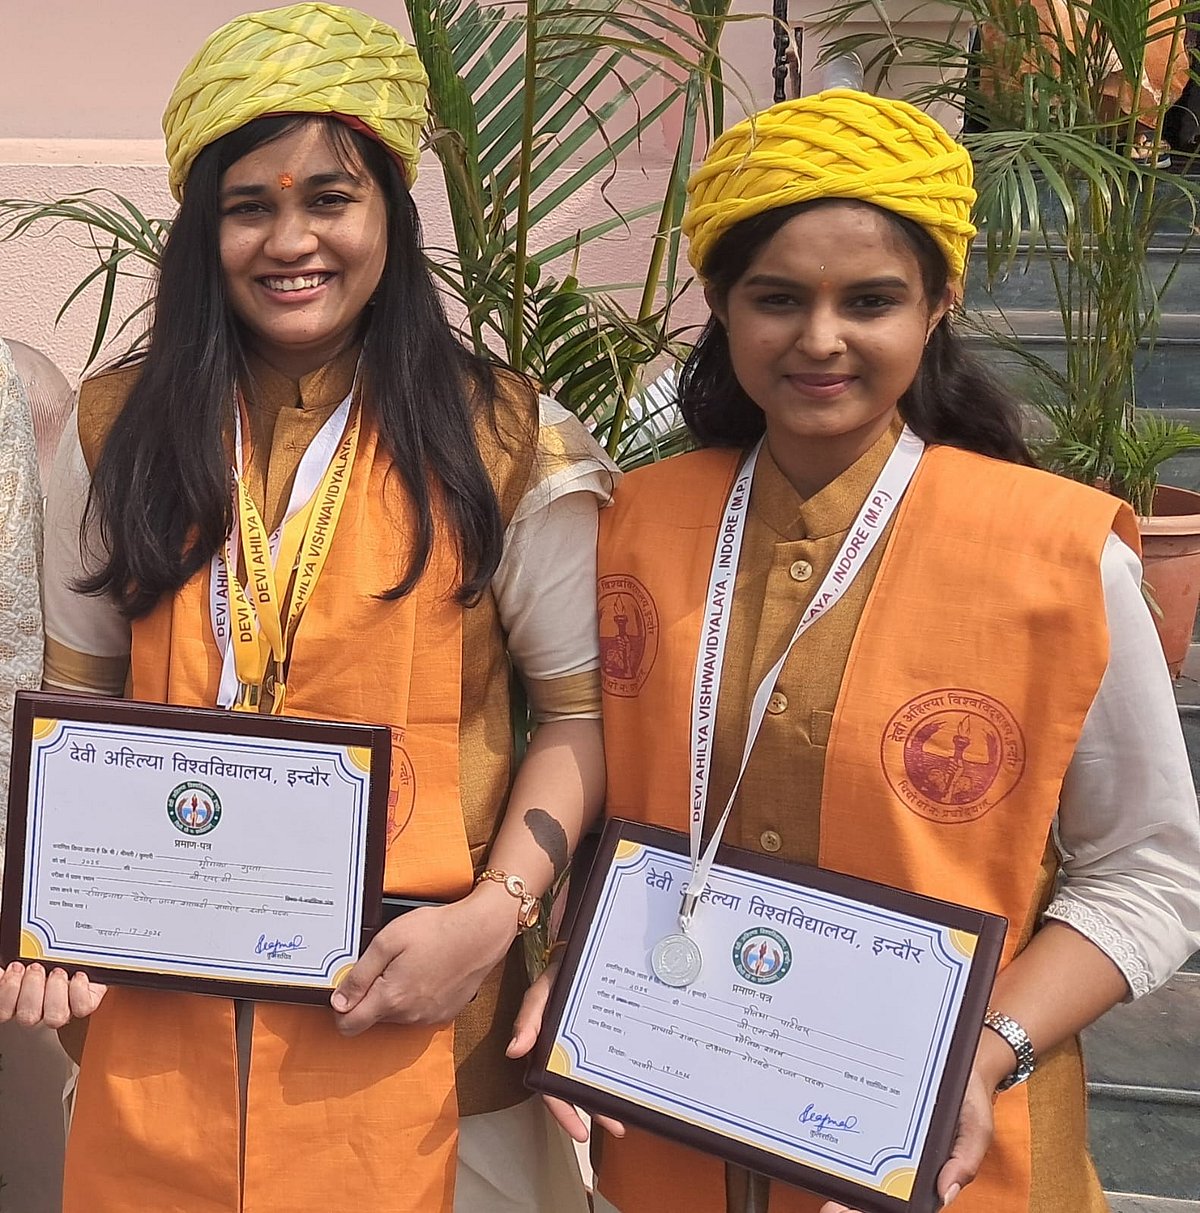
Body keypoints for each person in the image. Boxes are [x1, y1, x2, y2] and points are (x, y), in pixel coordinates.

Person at [510, 89, 1200, 1212]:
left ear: (937, 305)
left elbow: (1152, 878)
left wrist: (977, 1055)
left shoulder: (1061, 554)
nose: (819, 339)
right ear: (721, 308)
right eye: (777, 299)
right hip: (669, 1135)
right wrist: (570, 965)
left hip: (948, 1149)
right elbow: (613, 792)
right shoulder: (633, 522)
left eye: (869, 300)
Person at [0, 5, 612, 1211]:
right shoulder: (118, 427)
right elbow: (79, 699)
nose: (292, 239)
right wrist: (49, 907)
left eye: (329, 198)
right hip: (160, 1014)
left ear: (390, 209)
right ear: (203, 230)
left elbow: (580, 718)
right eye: (248, 206)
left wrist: (490, 927)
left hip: (420, 1011)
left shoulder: (507, 437)